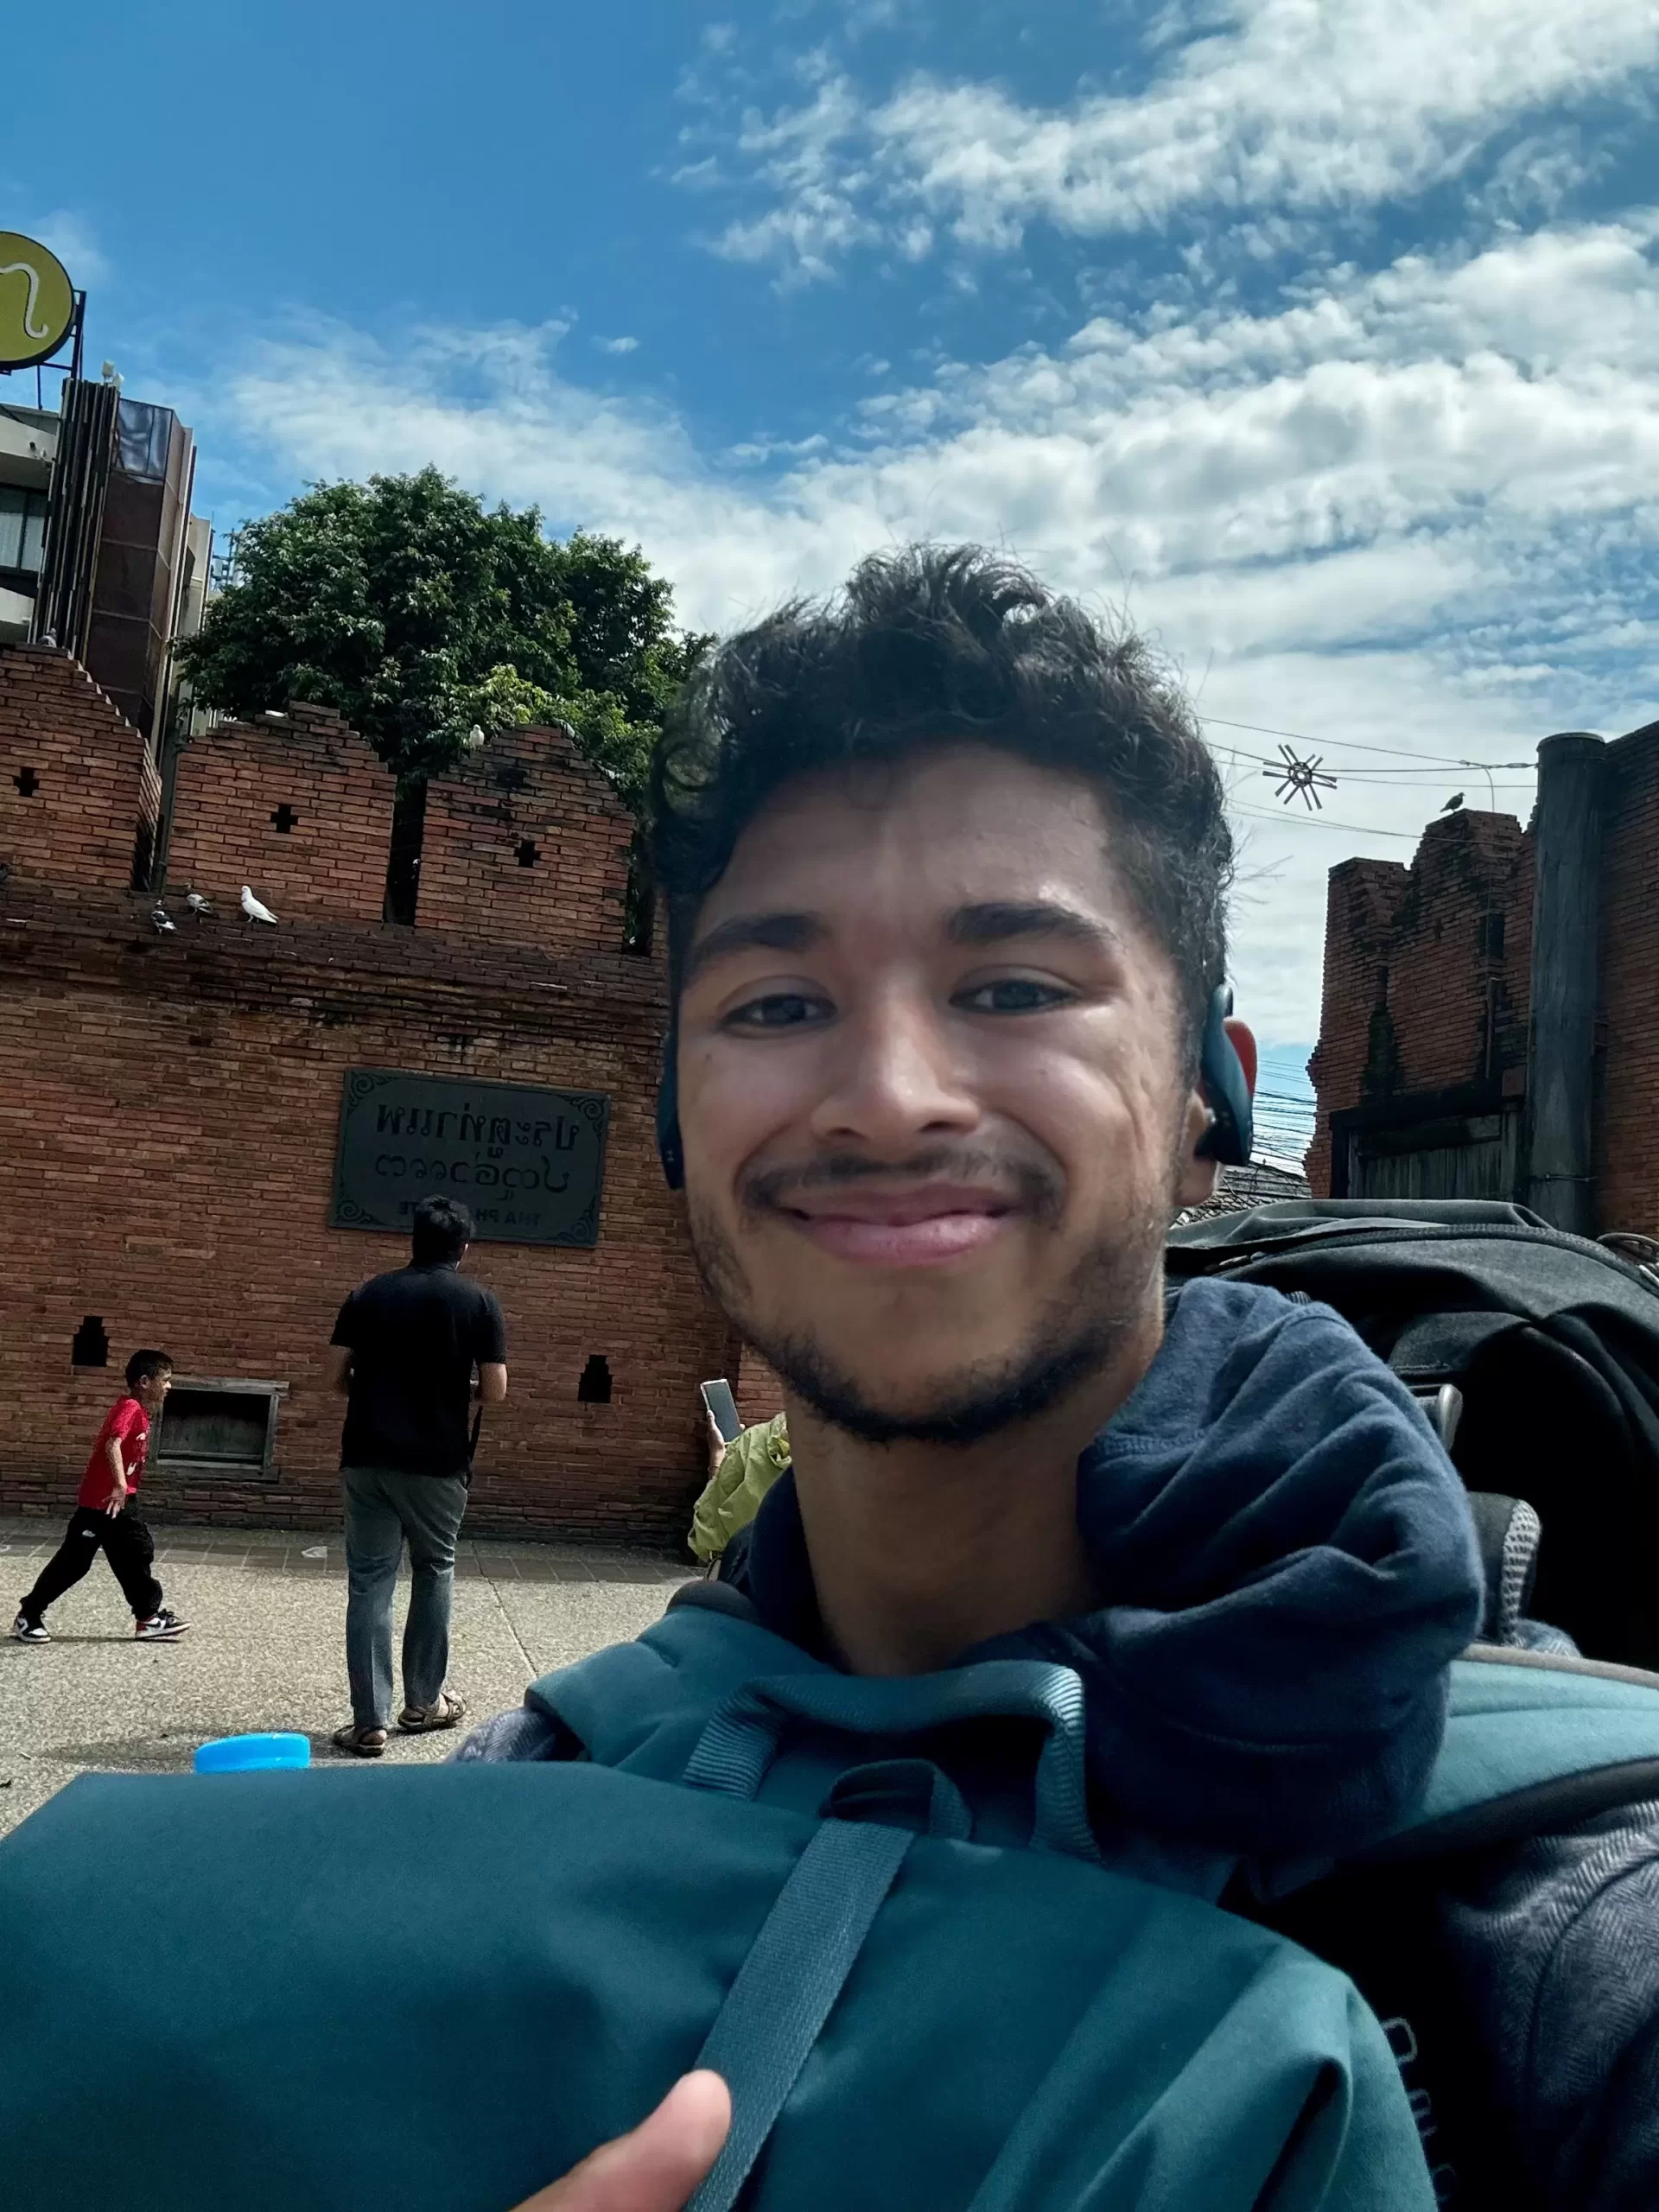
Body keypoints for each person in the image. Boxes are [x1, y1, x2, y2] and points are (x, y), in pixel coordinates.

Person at [463, 546, 1508, 2206]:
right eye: (778, 1002)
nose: (888, 1097)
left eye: (1015, 987)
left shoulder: (1557, 1909)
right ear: (673, 1109)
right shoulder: (535, 1792)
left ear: (1209, 1094)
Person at [326, 1194, 507, 1757]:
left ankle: (368, 1721)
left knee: (370, 1581)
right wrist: (452, 1388)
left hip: (367, 1455)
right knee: (434, 1569)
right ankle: (424, 1702)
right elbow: (496, 1390)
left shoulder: (368, 1293)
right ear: (464, 1247)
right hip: (438, 1462)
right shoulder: (479, 1301)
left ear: (414, 1240)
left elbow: (336, 1377)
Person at [11, 1349, 189, 1643]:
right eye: (165, 1379)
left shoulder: (139, 1410)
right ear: (145, 1381)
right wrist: (120, 1485)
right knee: (77, 1563)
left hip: (116, 1502)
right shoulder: (129, 1408)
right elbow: (112, 1444)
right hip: (104, 1502)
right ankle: (28, 1615)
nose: (169, 1386)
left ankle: (148, 1618)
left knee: (132, 1555)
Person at [689, 1406, 790, 1568]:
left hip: (739, 1567)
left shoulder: (754, 1439)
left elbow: (711, 1517)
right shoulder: (832, 1460)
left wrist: (718, 1454)